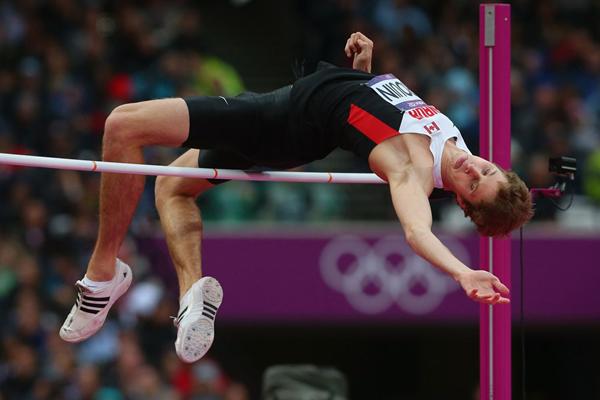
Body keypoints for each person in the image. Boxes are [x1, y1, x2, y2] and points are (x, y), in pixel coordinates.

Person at [59, 32, 533, 363]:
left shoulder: (415, 172)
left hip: (274, 123)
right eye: (486, 168)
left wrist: (462, 271)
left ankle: (103, 274)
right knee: (171, 186)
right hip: (294, 111)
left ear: (464, 203)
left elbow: (416, 231)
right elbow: (368, 118)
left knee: (122, 126)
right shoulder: (458, 148)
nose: (473, 167)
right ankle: (190, 298)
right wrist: (361, 74)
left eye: (473, 183)